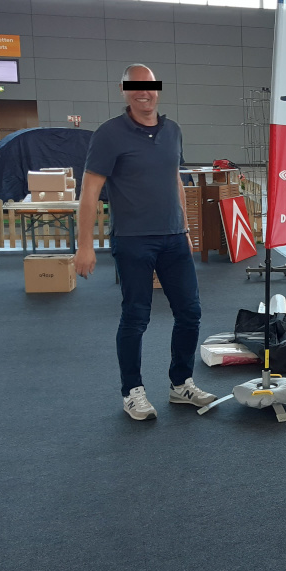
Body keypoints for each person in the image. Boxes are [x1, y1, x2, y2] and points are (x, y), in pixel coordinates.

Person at [74, 64, 216, 420]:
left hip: (174, 239)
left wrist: (185, 229)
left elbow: (175, 180)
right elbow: (89, 193)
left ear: (157, 89)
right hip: (133, 240)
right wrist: (84, 246)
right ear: (124, 91)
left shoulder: (173, 131)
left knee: (190, 313)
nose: (144, 92)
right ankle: (132, 392)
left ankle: (181, 383)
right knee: (136, 317)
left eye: (149, 86)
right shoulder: (109, 134)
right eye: (135, 86)